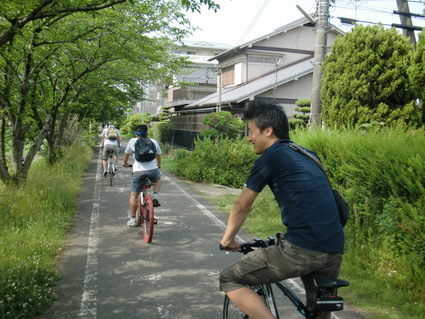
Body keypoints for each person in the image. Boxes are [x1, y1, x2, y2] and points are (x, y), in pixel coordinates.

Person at [219, 101, 344, 319]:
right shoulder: (308, 154)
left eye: (250, 131)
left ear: (268, 130)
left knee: (230, 279)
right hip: (333, 247)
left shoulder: (271, 157)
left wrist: (228, 240)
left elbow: (242, 205)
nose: (249, 138)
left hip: (302, 250)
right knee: (317, 312)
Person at [123, 124, 162, 227]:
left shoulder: (132, 141)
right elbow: (158, 156)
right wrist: (158, 165)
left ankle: (132, 219)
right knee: (158, 179)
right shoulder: (153, 141)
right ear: (147, 133)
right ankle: (155, 196)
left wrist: (126, 163)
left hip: (138, 172)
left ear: (136, 134)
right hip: (153, 170)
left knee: (134, 195)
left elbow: (126, 156)